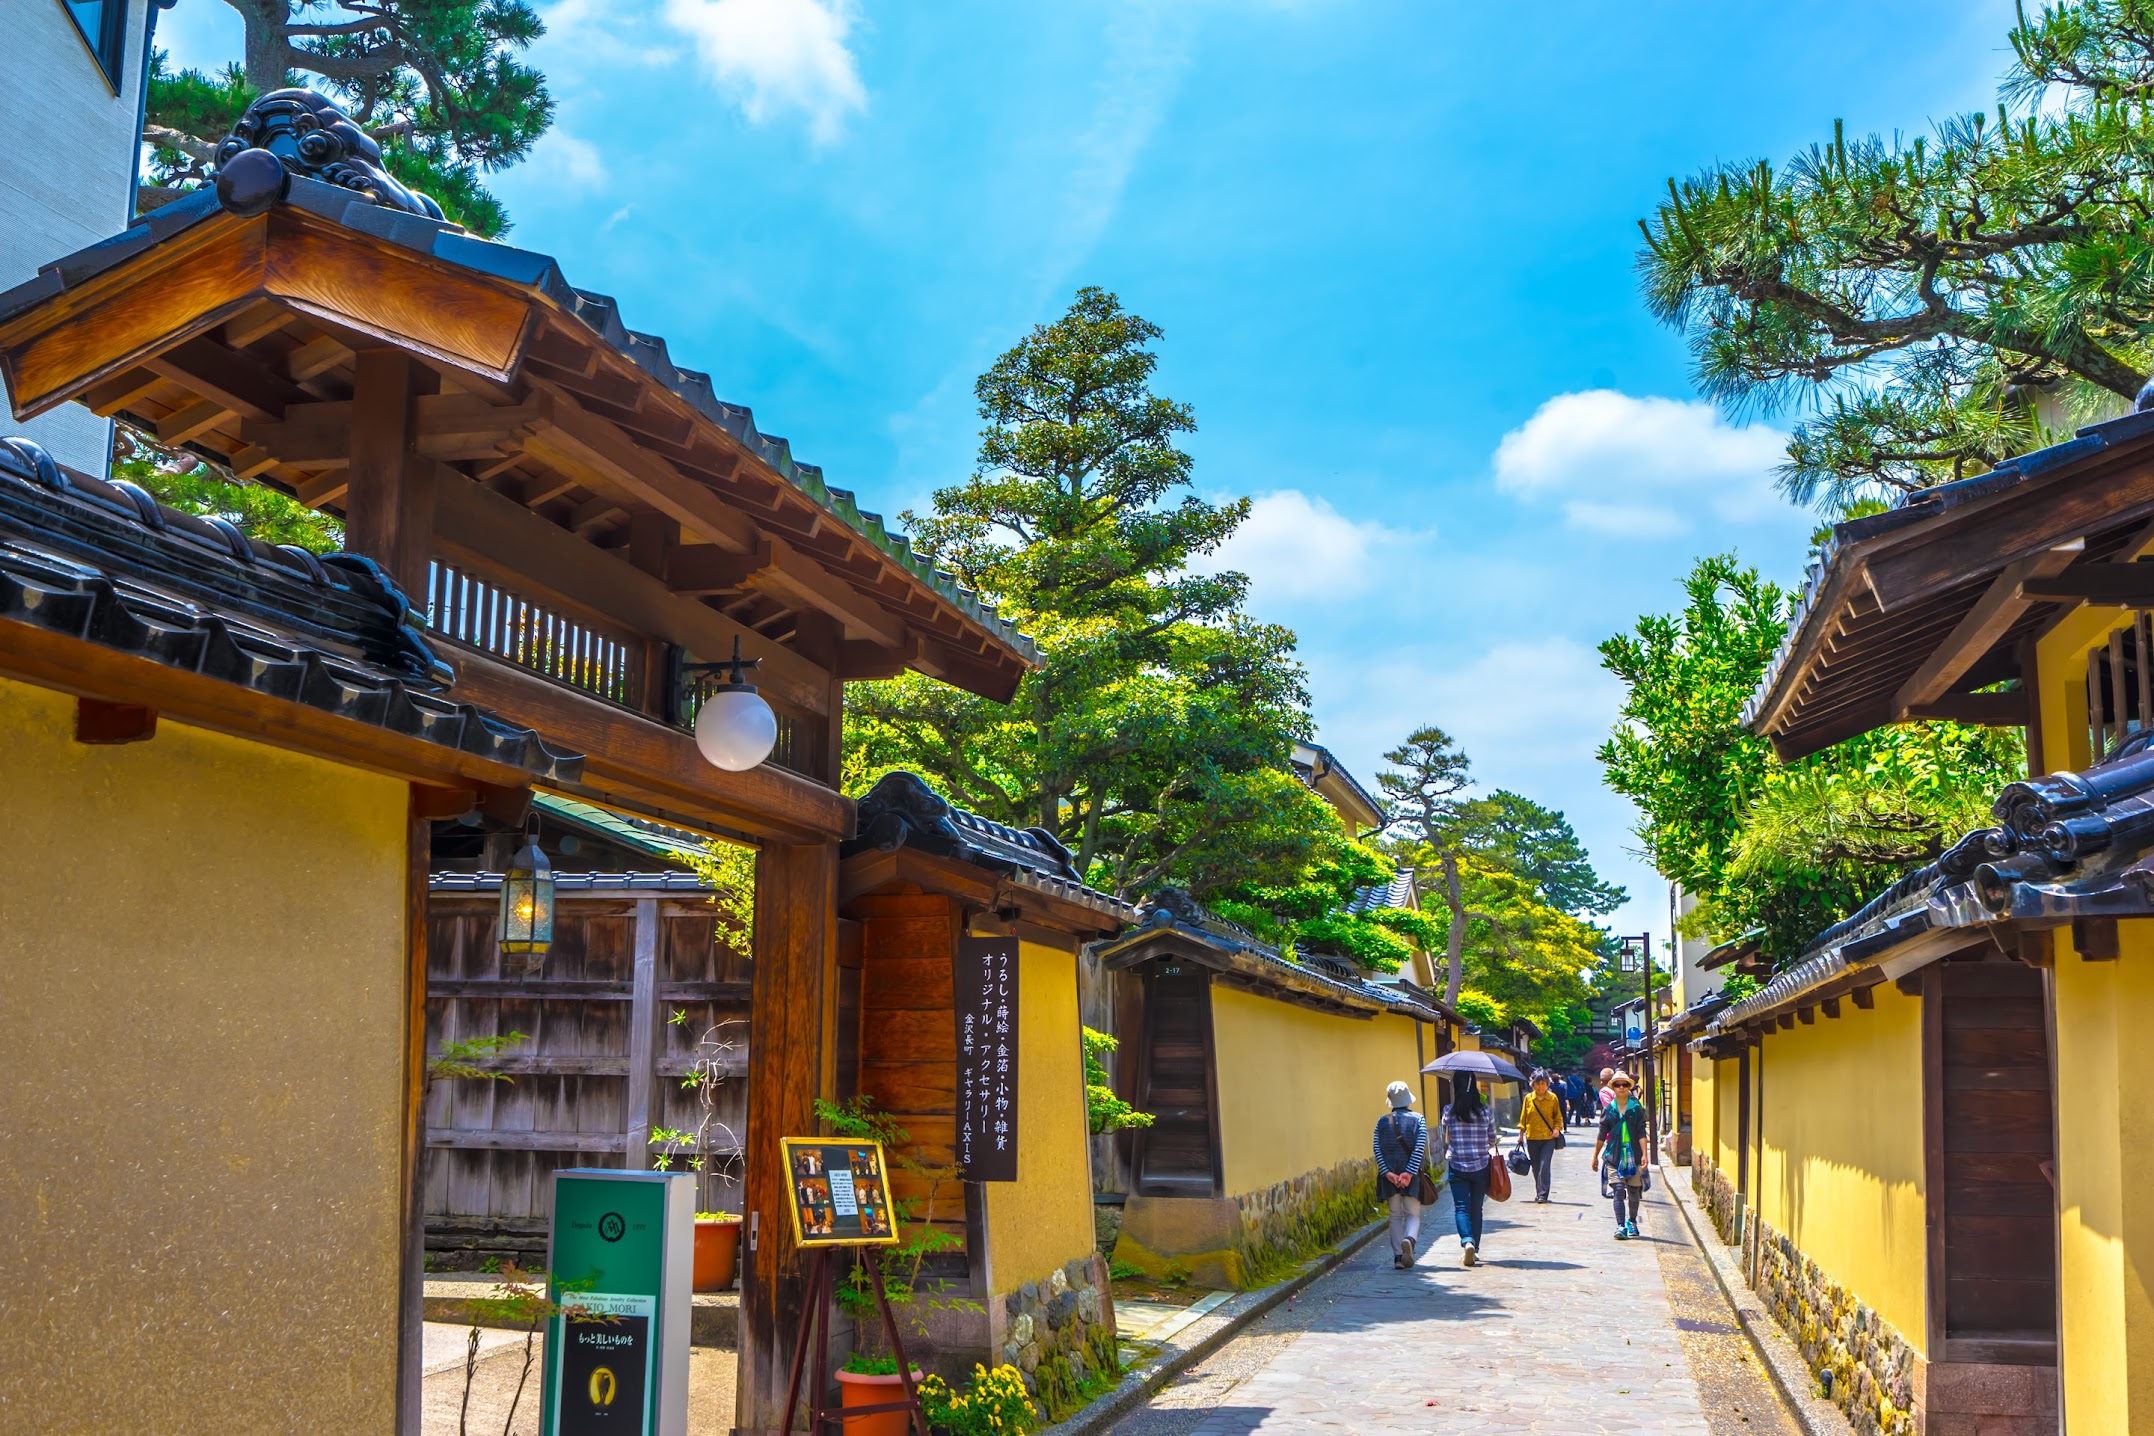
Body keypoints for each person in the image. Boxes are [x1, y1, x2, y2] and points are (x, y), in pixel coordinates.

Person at [1440, 1079, 1500, 1266]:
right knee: (1477, 1208)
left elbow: (1445, 1137)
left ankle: (1467, 1241)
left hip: (1457, 1164)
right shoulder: (1485, 1111)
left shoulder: (1449, 1111)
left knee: (1461, 1207)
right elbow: (1492, 1139)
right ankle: (1475, 1249)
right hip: (1480, 1166)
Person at [1372, 1080, 1428, 1269]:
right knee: (1413, 1213)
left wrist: (1387, 1173)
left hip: (1389, 1177)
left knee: (1395, 1215)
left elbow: (1377, 1149)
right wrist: (1409, 1173)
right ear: (1407, 1099)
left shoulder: (1381, 1122)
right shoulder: (1418, 1119)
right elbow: (1419, 1147)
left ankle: (1398, 1258)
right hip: (1409, 1176)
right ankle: (1410, 1240)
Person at [1592, 1072, 1651, 1239]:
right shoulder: (1608, 1110)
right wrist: (1595, 1156)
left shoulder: (1636, 1109)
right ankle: (1620, 1226)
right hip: (1614, 1156)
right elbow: (1601, 1135)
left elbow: (1641, 1132)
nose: (1621, 1088)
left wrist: (1645, 1154)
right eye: (1617, 1085)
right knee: (1618, 1190)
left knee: (1633, 1191)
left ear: (1629, 1087)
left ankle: (1632, 1221)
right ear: (1613, 1087)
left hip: (1634, 1155)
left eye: (1625, 1085)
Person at [1518, 1070, 1564, 1203]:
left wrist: (1556, 1129)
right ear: (1533, 1084)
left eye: (1543, 1083)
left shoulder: (1552, 1098)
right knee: (1536, 1167)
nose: (1540, 1087)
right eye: (1537, 1084)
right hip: (1532, 1137)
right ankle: (1539, 1192)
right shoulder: (1528, 1098)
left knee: (1544, 1166)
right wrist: (1521, 1134)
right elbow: (1523, 1118)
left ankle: (1543, 1195)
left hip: (1548, 1138)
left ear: (1547, 1084)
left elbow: (1558, 1117)